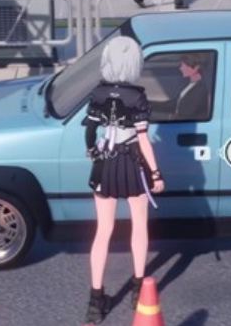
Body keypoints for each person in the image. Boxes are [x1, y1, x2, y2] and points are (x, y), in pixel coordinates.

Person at [82, 36, 165, 324]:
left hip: (104, 164)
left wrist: (93, 152)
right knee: (139, 225)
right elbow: (143, 140)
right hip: (132, 164)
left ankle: (95, 301)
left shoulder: (98, 93)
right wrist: (156, 173)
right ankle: (138, 290)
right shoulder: (137, 97)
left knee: (103, 230)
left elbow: (90, 131)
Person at [151, 53, 210, 121]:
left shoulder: (200, 90)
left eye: (184, 66)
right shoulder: (191, 86)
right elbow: (173, 105)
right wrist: (147, 104)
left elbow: (186, 115)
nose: (180, 68)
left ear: (196, 67)